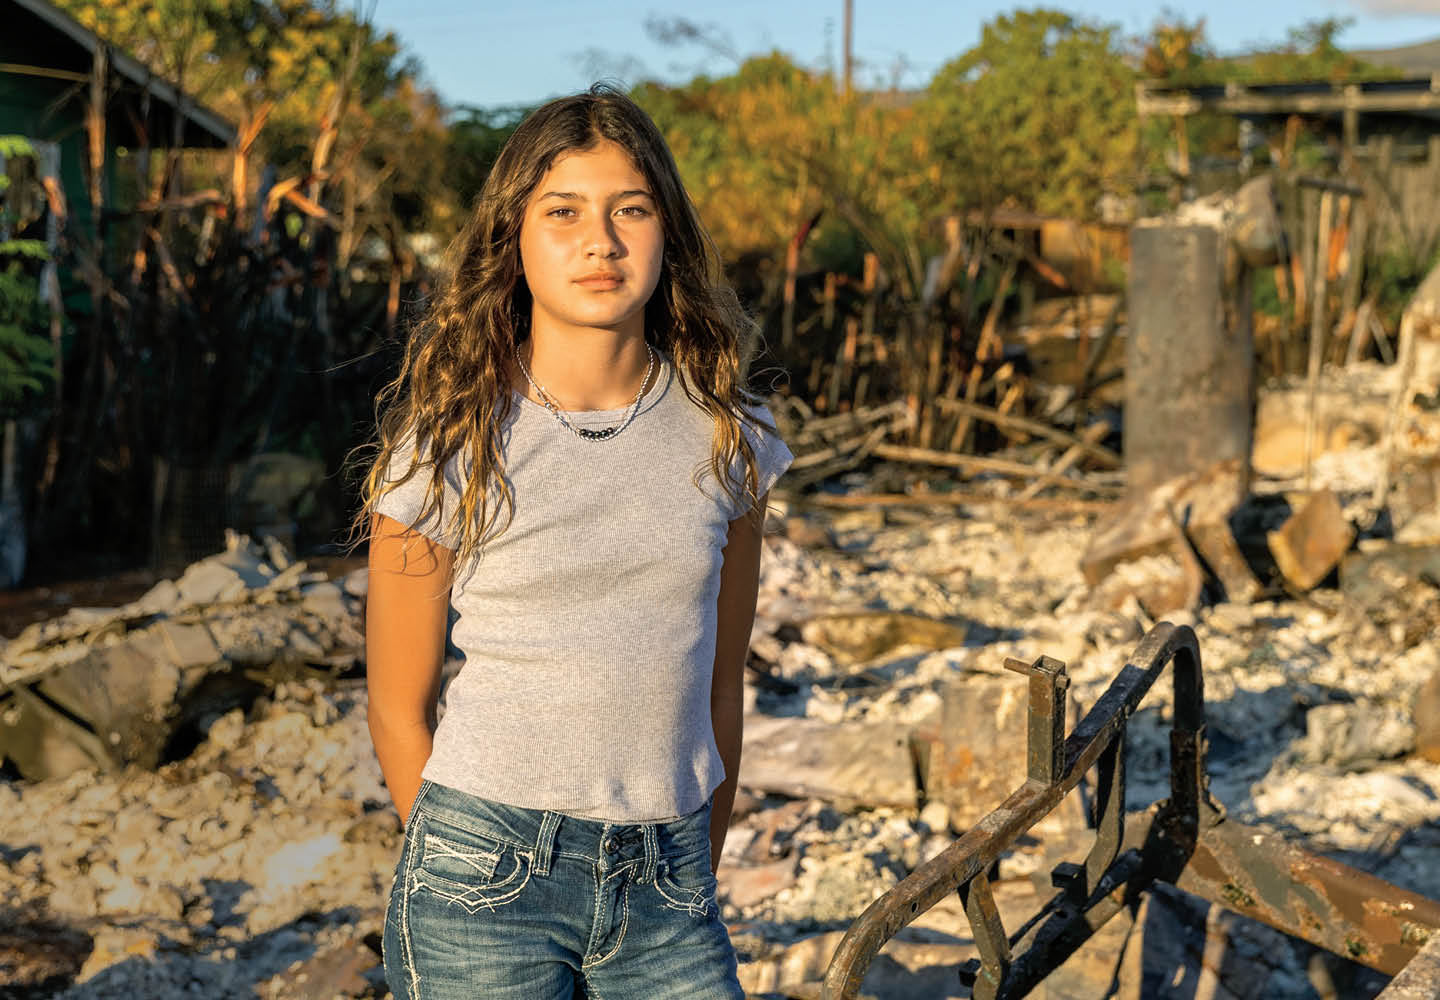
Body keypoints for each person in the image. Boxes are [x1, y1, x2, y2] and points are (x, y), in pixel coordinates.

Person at [359, 84, 793, 1000]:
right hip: (484, 882)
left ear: (666, 231)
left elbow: (721, 682)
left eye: (629, 209)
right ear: (513, 238)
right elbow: (400, 710)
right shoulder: (447, 446)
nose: (600, 241)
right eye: (562, 212)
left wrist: (694, 864)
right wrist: (455, 863)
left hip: (671, 884)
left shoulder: (729, 439)